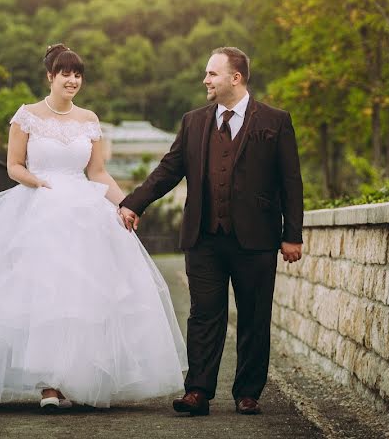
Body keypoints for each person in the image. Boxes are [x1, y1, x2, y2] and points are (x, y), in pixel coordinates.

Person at [0, 43, 187, 412]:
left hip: (84, 209)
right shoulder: (27, 116)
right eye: (66, 73)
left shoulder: (89, 119)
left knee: (84, 296)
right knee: (43, 295)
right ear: (50, 76)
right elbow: (13, 165)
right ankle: (47, 384)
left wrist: (126, 204)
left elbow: (96, 172)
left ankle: (74, 376)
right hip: (39, 207)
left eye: (78, 74)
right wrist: (39, 184)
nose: (73, 80)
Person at [118, 47, 304, 417]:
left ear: (235, 78)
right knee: (204, 315)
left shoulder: (275, 120)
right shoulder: (194, 122)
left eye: (212, 74)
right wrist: (134, 202)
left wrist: (292, 234)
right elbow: (168, 170)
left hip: (257, 240)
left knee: (254, 316)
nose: (206, 80)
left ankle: (248, 393)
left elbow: (291, 182)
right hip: (204, 237)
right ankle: (198, 392)